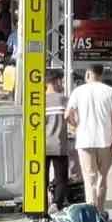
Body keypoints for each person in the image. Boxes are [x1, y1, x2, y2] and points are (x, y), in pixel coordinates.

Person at [66, 64, 112, 213]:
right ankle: (101, 211)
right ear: (101, 75)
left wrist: (76, 125)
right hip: (105, 140)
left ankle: (92, 212)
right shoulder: (111, 92)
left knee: (89, 179)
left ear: (89, 74)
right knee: (102, 178)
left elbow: (67, 115)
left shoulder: (78, 91)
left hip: (84, 141)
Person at [44, 70, 72, 213]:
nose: (62, 84)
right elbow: (72, 120)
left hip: (41, 146)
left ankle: (41, 207)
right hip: (59, 145)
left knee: (42, 177)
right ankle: (56, 203)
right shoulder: (64, 99)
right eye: (61, 80)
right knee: (61, 178)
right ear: (56, 81)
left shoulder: (39, 100)